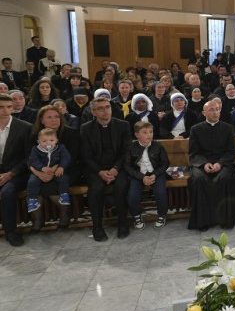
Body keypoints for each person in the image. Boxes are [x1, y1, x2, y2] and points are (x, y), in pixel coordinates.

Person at [80, 96, 132, 241]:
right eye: (100, 109)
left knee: (121, 186)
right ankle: (97, 227)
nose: (105, 111)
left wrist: (115, 169)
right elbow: (86, 155)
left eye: (107, 107)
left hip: (118, 168)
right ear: (93, 112)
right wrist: (100, 172)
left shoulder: (123, 125)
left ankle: (123, 224)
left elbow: (126, 151)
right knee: (95, 189)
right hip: (96, 170)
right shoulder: (86, 128)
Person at [187, 99, 235, 230]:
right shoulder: (196, 129)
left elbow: (232, 151)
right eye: (211, 110)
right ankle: (203, 221)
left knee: (224, 178)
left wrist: (220, 163)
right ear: (204, 112)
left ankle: (225, 219)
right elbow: (193, 153)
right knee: (199, 180)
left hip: (223, 163)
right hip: (202, 165)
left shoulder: (228, 128)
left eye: (217, 109)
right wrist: (204, 164)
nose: (215, 112)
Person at [0, 94, 32, 246]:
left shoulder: (25, 127)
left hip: (17, 173)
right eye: (1, 107)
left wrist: (11, 173)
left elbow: (29, 157)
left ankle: (11, 232)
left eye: (8, 107)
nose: (5, 111)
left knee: (7, 192)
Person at [124, 121, 169, 230]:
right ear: (137, 135)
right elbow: (127, 166)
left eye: (151, 132)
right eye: (144, 132)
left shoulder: (158, 146)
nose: (149, 135)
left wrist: (155, 174)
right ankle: (137, 216)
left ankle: (162, 215)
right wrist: (141, 177)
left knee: (160, 192)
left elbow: (165, 163)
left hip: (156, 173)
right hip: (138, 175)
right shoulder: (131, 147)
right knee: (132, 194)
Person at [26, 127, 71, 230]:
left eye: (51, 140)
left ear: (56, 140)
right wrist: (41, 168)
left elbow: (66, 157)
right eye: (44, 141)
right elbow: (33, 160)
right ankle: (32, 199)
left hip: (56, 171)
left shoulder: (60, 148)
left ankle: (64, 195)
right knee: (32, 181)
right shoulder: (35, 149)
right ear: (39, 141)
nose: (48, 143)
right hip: (40, 172)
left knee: (63, 179)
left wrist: (61, 166)